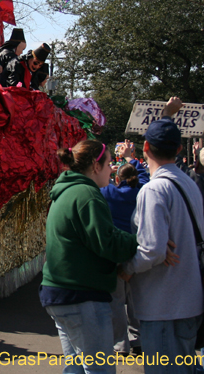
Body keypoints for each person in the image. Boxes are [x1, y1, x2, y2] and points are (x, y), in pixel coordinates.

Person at [121, 97, 204, 374]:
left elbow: (152, 250)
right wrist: (167, 115)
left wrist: (127, 268)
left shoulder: (154, 190)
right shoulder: (189, 183)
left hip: (163, 306)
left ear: (145, 148)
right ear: (180, 149)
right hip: (188, 301)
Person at [40, 140, 138, 374]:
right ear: (96, 166)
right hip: (81, 295)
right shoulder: (87, 195)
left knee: (76, 369)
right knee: (99, 370)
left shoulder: (68, 190)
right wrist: (141, 242)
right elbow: (109, 243)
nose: (111, 169)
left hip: (61, 292)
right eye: (108, 165)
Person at [101, 141, 150, 355]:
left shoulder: (108, 193)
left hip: (116, 251)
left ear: (117, 178)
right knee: (135, 297)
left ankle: (120, 343)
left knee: (116, 299)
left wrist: (108, 171)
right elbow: (145, 176)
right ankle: (137, 338)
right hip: (137, 250)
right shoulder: (142, 192)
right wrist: (130, 157)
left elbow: (98, 185)